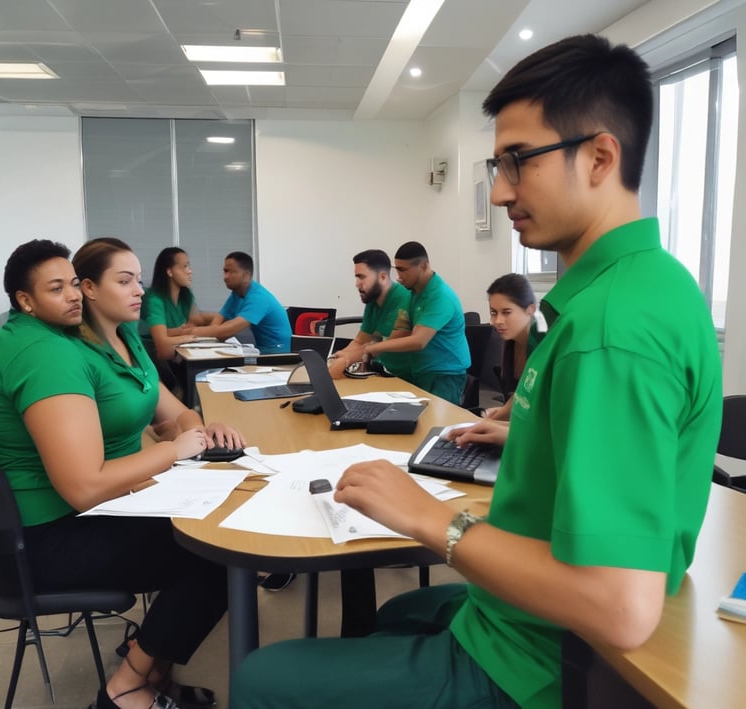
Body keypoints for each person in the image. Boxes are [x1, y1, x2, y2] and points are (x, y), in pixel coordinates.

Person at [230, 34, 722, 709]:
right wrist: (529, 437)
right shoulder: (644, 286)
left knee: (261, 677)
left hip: (536, 658)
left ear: (601, 156)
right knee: (399, 615)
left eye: (518, 162)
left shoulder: (611, 331)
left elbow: (620, 606)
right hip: (522, 618)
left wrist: (433, 523)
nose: (497, 192)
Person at [0, 238, 245, 709]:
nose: (73, 297)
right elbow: (83, 487)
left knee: (214, 533)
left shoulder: (90, 339)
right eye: (57, 288)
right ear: (25, 300)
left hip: (75, 517)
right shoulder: (45, 352)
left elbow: (173, 413)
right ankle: (126, 688)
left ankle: (149, 671)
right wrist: (174, 450)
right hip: (45, 540)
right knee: (216, 553)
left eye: (71, 285)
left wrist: (186, 435)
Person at [362, 241, 470, 405]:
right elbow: (402, 329)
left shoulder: (440, 296)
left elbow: (418, 341)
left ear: (424, 266)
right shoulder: (413, 293)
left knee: (438, 427)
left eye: (403, 270)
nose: (399, 276)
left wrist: (375, 348)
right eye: (396, 269)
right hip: (421, 372)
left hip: (444, 375)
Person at [139, 246, 216, 396]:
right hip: (156, 359)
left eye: (189, 266)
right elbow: (161, 344)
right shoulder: (155, 299)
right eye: (185, 267)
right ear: (169, 271)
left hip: (175, 353)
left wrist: (222, 317)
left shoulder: (185, 295)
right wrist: (188, 337)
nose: (190, 271)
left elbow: (197, 319)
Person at [328, 249, 411, 380]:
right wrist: (335, 358)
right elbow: (360, 341)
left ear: (383, 277)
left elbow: (386, 346)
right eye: (356, 277)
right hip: (390, 374)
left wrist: (346, 360)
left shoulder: (404, 300)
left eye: (362, 277)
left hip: (418, 378)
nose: (357, 284)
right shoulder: (373, 300)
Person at [192, 251, 291, 353]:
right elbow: (219, 321)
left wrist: (189, 332)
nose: (225, 277)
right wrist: (207, 338)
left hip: (278, 354)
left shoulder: (258, 298)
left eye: (231, 272)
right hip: (262, 351)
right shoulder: (237, 293)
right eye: (225, 271)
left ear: (246, 276)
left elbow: (229, 329)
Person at [481, 273, 542, 421]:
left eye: (506, 312)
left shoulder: (542, 340)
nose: (498, 321)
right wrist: (500, 413)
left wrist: (492, 423)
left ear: (530, 309)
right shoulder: (512, 340)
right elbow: (520, 394)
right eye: (493, 313)